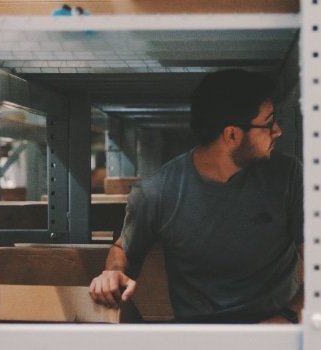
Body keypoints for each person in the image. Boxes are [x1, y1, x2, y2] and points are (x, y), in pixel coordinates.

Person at [88, 69, 304, 324]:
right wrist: (112, 272)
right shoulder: (157, 192)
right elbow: (124, 249)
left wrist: (288, 318)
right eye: (268, 123)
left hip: (275, 334)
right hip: (198, 337)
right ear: (232, 135)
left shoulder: (288, 176)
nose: (277, 131)